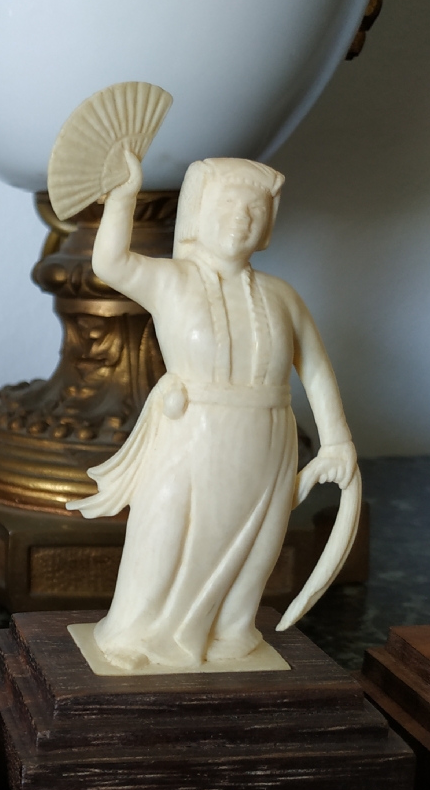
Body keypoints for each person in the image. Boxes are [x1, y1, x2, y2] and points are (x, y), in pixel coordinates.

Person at [68, 152, 357, 670]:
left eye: (254, 210)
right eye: (228, 206)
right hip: (191, 435)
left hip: (268, 440)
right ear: (199, 214)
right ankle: (136, 633)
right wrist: (124, 196)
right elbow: (110, 264)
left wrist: (337, 441)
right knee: (167, 533)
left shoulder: (281, 296)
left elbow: (314, 369)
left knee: (256, 544)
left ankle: (230, 630)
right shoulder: (171, 280)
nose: (241, 218)